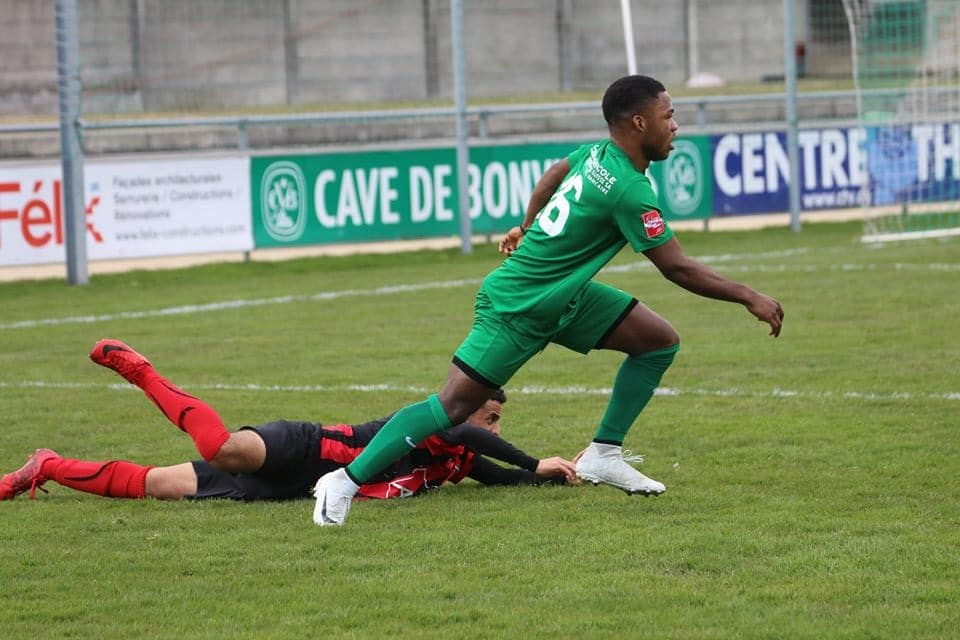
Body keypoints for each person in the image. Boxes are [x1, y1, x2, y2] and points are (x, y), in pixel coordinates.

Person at [312, 74, 784, 526]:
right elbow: (676, 267)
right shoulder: (629, 188)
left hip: (563, 299)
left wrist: (527, 223)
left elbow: (554, 172)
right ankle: (344, 481)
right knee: (451, 406)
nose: (675, 125)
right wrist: (749, 296)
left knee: (658, 342)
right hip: (517, 307)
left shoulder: (598, 154)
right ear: (640, 122)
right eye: (669, 115)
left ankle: (604, 454)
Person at [0, 339, 578, 504]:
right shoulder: (433, 424)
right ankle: (143, 371)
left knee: (156, 485)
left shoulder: (461, 460)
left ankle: (46, 466)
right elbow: (470, 434)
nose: (492, 430)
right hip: (305, 448)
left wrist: (560, 474)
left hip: (291, 489)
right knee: (224, 448)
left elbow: (505, 478)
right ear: (468, 407)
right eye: (493, 416)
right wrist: (531, 455)